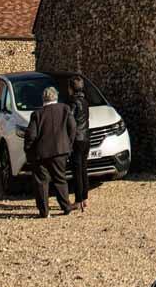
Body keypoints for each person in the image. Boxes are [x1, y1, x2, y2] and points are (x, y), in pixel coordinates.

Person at [24, 86, 75, 218]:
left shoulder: (37, 114)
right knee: (60, 179)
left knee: (41, 182)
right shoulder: (65, 109)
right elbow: (72, 127)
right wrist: (68, 144)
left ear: (43, 98)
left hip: (41, 152)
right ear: (56, 97)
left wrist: (28, 150)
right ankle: (66, 207)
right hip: (60, 150)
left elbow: (31, 135)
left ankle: (44, 211)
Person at [68, 76, 90, 211]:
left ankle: (78, 200)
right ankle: (85, 198)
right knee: (84, 169)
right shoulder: (85, 102)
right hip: (86, 138)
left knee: (77, 171)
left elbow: (70, 121)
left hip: (77, 139)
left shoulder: (73, 103)